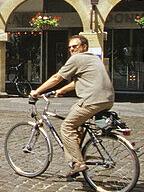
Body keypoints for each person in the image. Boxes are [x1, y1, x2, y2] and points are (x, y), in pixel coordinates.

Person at [29, 35, 115, 179]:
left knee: (67, 127)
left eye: (75, 46)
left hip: (91, 100)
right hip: (107, 100)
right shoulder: (93, 58)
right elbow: (80, 81)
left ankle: (78, 162)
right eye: (70, 47)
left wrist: (37, 92)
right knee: (78, 125)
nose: (72, 49)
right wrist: (61, 91)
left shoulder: (77, 59)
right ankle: (77, 156)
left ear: (84, 47)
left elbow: (57, 78)